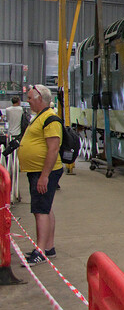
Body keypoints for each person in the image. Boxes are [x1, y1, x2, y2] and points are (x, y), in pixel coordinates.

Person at [18, 85, 63, 265]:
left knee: (40, 211)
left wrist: (44, 176)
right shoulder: (40, 117)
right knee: (45, 208)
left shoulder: (50, 119)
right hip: (38, 170)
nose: (27, 101)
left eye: (30, 98)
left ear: (40, 98)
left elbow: (53, 149)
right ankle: (48, 248)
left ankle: (41, 250)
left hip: (43, 172)